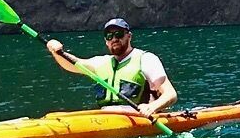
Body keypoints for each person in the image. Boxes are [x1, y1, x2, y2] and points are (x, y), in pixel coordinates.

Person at [46, 17, 178, 116]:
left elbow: (170, 94)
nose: (114, 39)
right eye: (109, 36)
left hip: (138, 118)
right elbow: (72, 64)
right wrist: (56, 51)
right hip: (105, 117)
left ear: (129, 36)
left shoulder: (146, 59)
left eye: (118, 34)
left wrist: (153, 106)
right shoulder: (100, 62)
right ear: (106, 42)